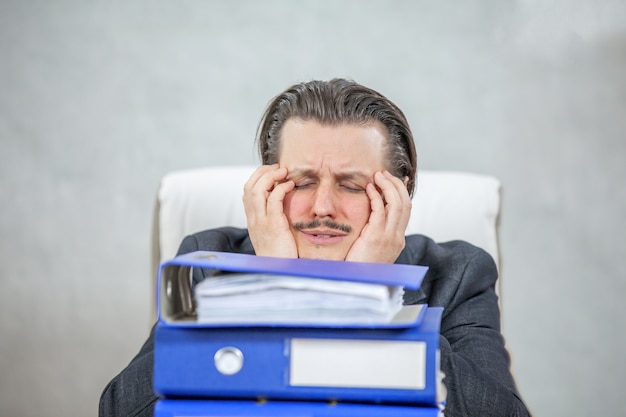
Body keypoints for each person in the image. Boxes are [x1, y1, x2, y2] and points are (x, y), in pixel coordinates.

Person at [99, 78, 531, 417]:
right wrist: (273, 283)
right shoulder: (207, 258)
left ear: (397, 196)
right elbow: (121, 409)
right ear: (268, 185)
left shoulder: (459, 273)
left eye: (351, 185)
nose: (322, 207)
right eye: (302, 182)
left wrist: (366, 293)